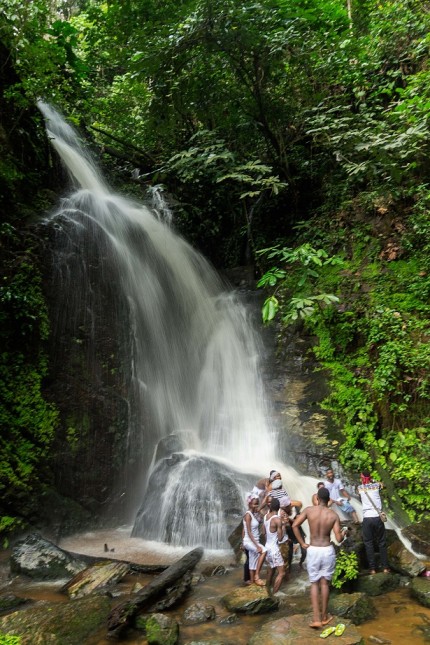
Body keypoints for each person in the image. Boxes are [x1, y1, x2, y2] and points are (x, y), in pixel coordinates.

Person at [292, 486, 345, 629]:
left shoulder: (309, 510)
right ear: (328, 500)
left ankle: (316, 619)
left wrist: (302, 543)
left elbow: (295, 525)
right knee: (324, 583)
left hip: (313, 549)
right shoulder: (333, 515)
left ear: (317, 499)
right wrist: (344, 533)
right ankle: (324, 616)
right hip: (327, 550)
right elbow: (339, 539)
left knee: (314, 583)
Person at [356, 470, 390, 574]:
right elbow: (383, 485)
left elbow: (358, 493)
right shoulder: (376, 486)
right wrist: (373, 480)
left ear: (362, 478)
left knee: (368, 543)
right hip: (377, 517)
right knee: (382, 542)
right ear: (370, 477)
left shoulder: (360, 488)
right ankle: (385, 567)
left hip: (367, 518)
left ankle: (372, 569)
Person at [262, 498, 285, 593]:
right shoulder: (277, 520)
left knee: (271, 571)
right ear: (279, 507)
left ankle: (266, 592)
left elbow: (263, 532)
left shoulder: (266, 516)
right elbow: (280, 538)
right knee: (281, 573)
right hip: (274, 549)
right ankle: (274, 594)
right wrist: (283, 525)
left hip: (267, 547)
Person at [243, 494, 267, 586]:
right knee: (264, 551)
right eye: (254, 504)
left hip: (254, 541)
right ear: (249, 504)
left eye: (257, 504)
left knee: (253, 560)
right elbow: (248, 532)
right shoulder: (248, 515)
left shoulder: (254, 514)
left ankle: (252, 581)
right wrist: (257, 546)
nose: (256, 506)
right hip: (249, 542)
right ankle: (257, 576)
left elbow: (262, 518)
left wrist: (259, 510)